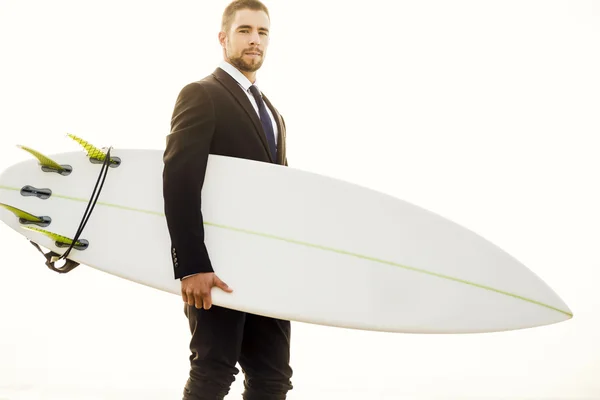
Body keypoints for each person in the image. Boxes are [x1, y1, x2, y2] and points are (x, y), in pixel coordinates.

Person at [162, 1, 293, 399]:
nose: (255, 40)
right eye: (245, 30)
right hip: (216, 269)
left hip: (265, 268)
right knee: (213, 373)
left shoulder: (272, 111)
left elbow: (280, 196)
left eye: (263, 32)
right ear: (223, 38)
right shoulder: (202, 94)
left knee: (273, 378)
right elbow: (179, 178)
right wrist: (192, 265)